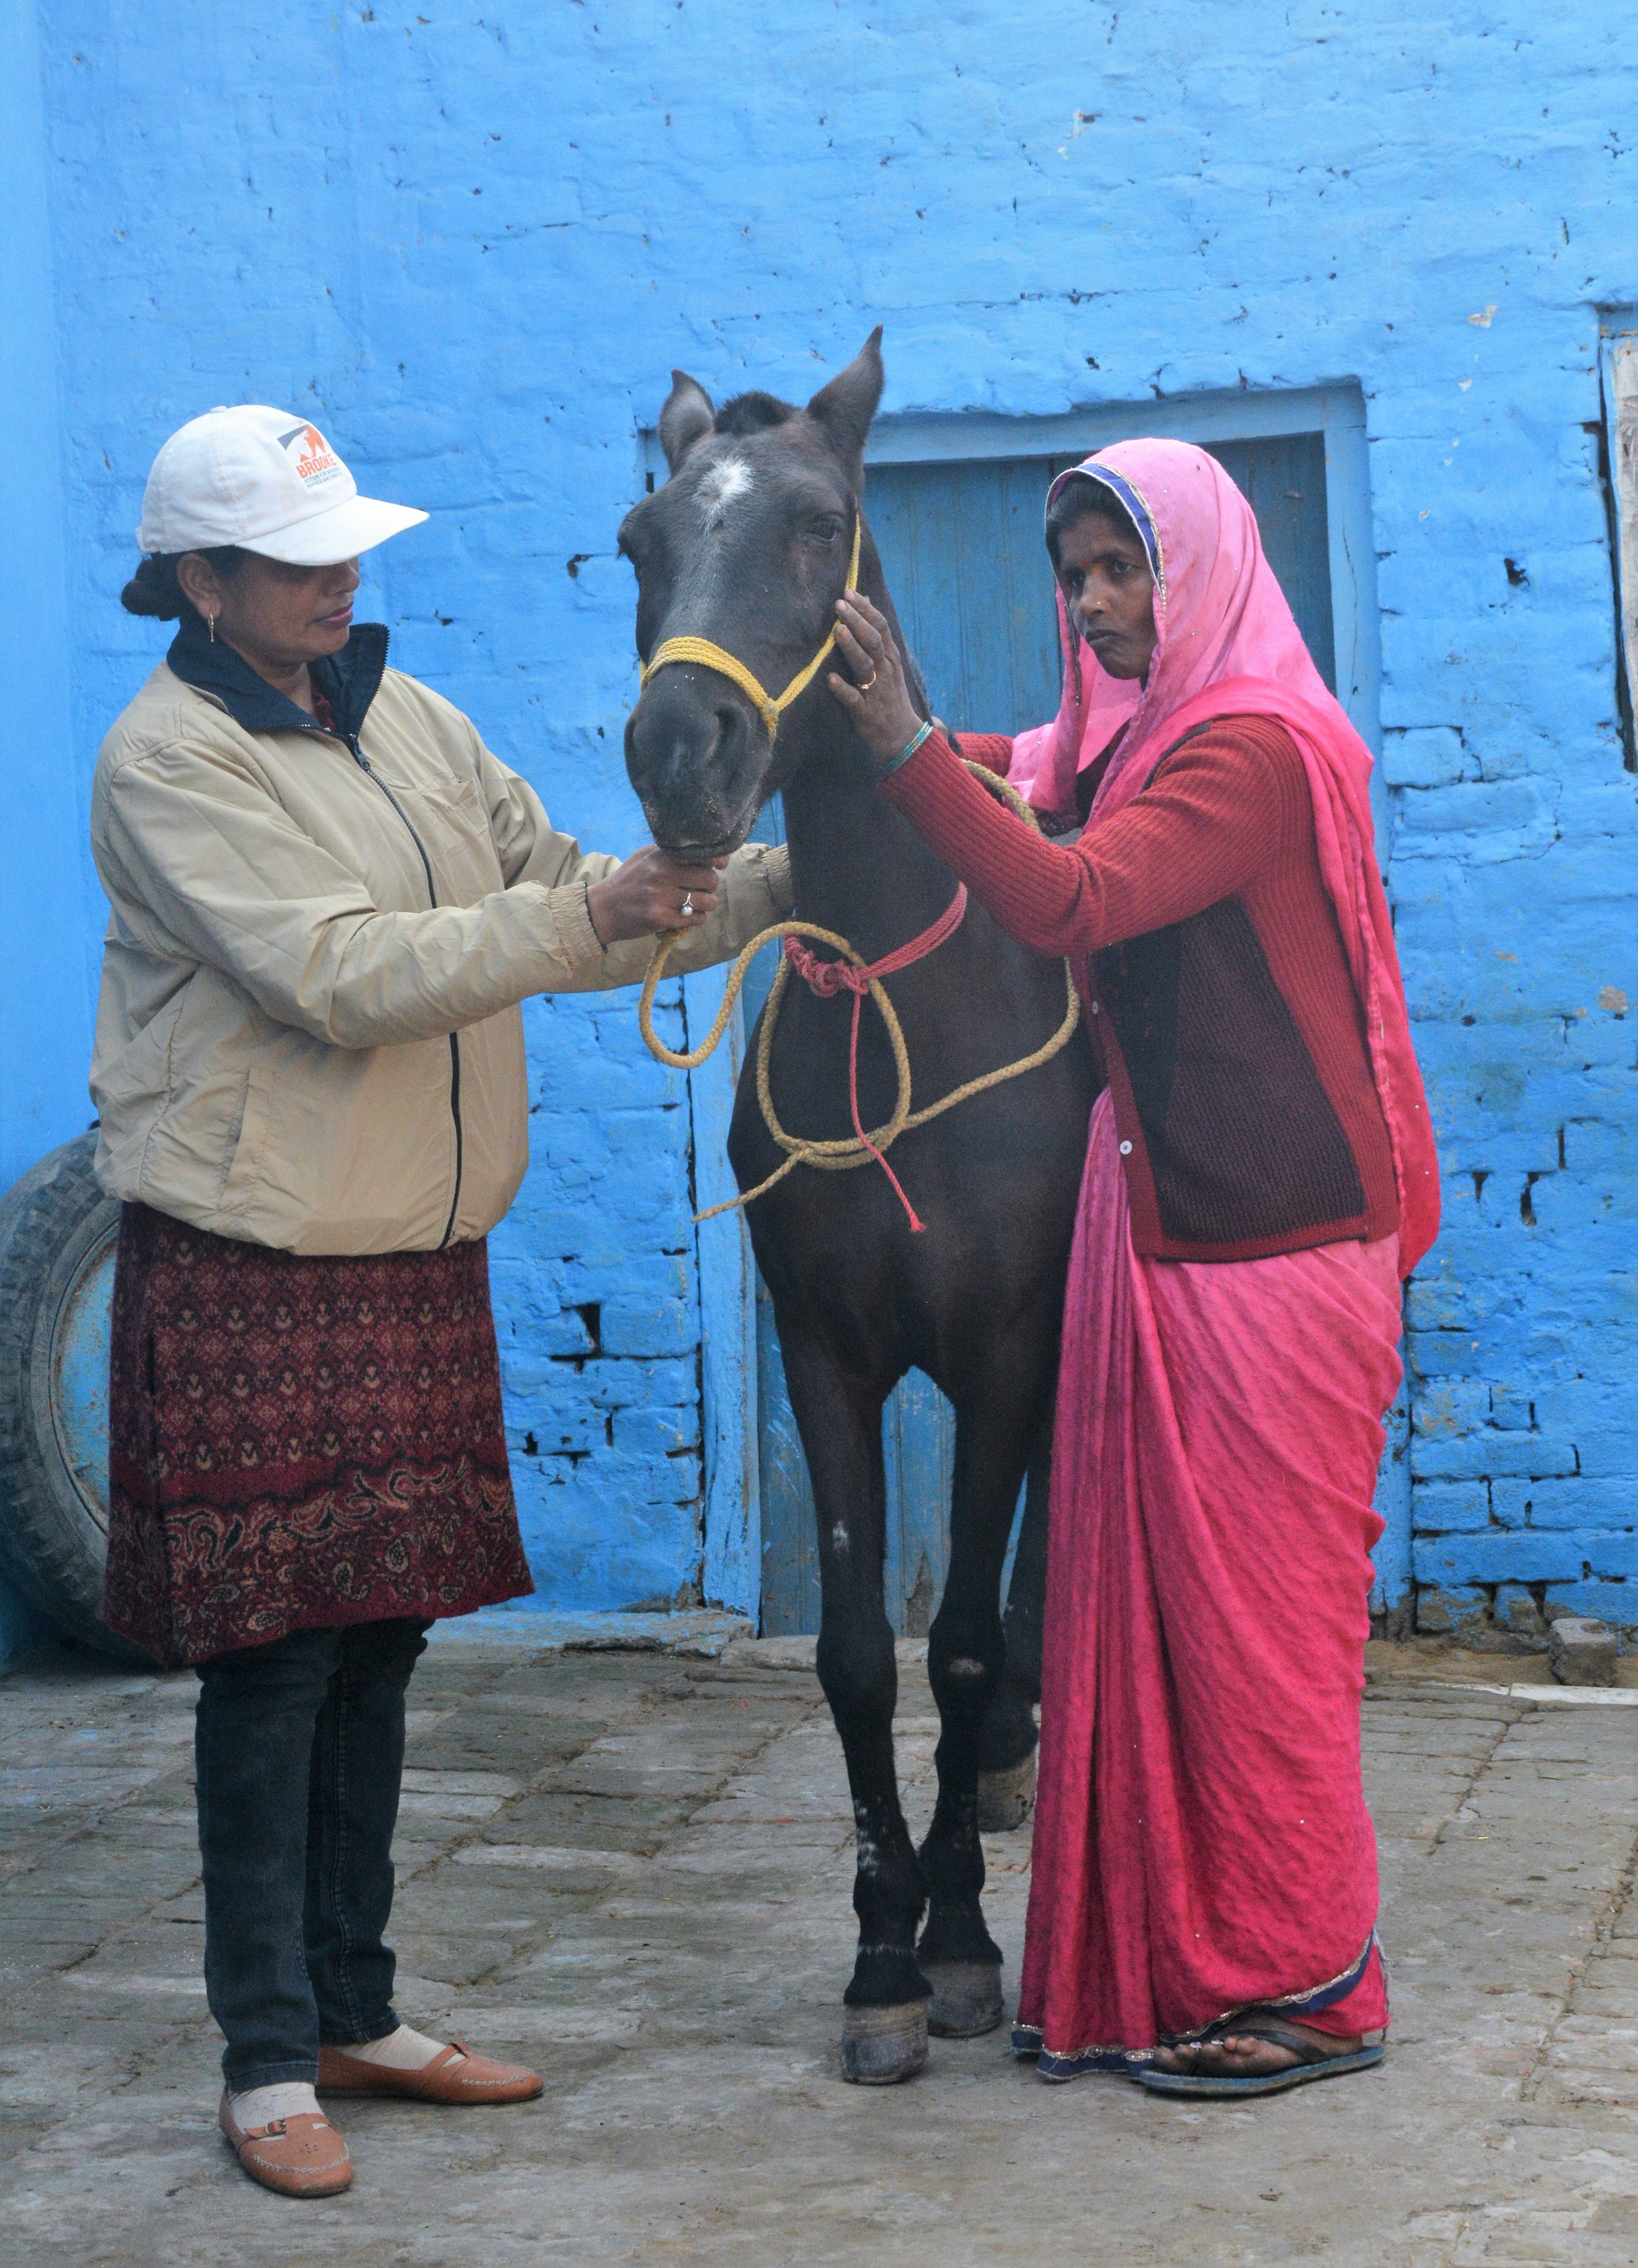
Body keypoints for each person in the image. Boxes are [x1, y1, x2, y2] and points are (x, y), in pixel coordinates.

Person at [94, 405, 794, 2195]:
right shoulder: (165, 761)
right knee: (273, 1664)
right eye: (294, 557)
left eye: (344, 547)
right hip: (256, 1253)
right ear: (198, 579)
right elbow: (336, 971)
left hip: (412, 1240)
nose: (338, 578)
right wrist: (597, 916)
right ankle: (265, 2057)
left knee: (383, 1630)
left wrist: (791, 881)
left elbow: (563, 887)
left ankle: (359, 2008)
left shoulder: (409, 716)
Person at [824, 438, 1439, 2099]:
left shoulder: (1242, 753)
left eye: (1123, 570)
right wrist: (833, 733)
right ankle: (1192, 1967)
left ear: (1204, 572)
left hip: (1277, 1252)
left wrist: (897, 756)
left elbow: (1068, 897)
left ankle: (1315, 1995)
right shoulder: (1128, 732)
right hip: (1173, 1231)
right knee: (1165, 1641)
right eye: (1074, 573)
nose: (1092, 604)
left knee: (1256, 1653)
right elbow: (1009, 764)